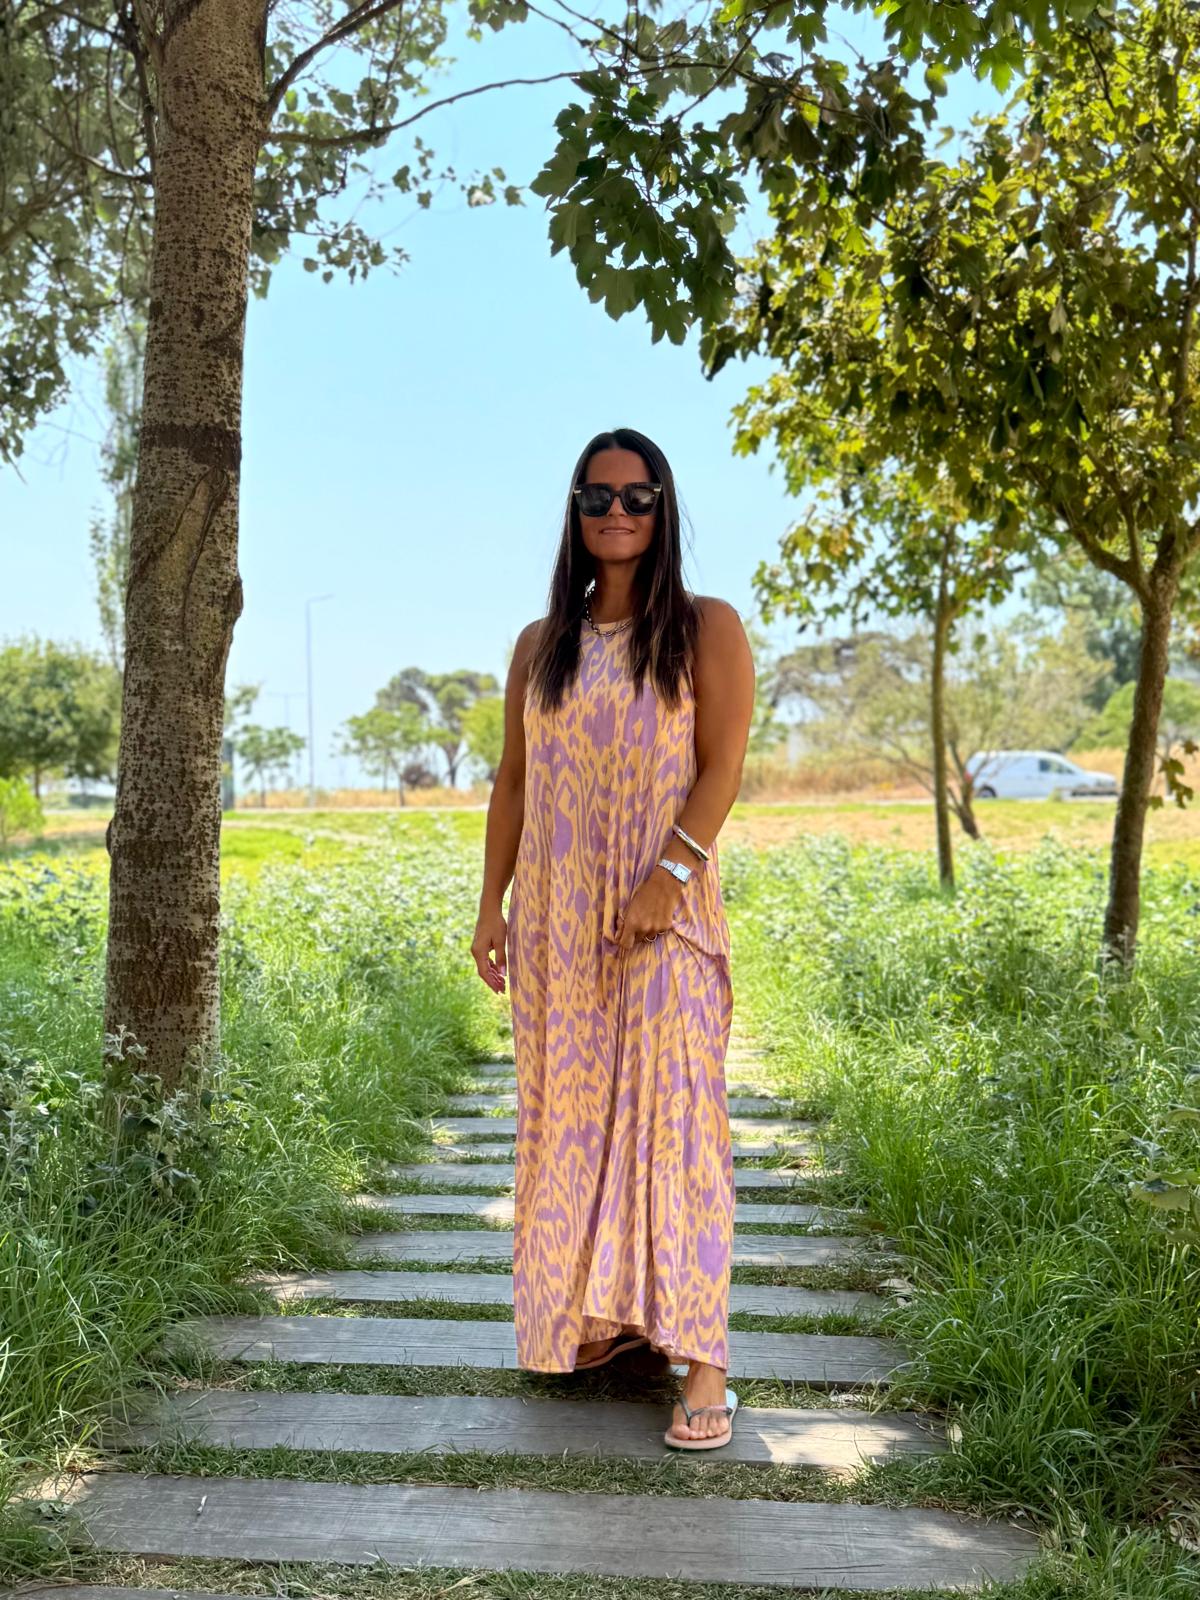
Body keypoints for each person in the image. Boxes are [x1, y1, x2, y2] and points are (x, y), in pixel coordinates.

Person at [471, 427, 755, 1449]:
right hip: (554, 922)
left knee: (677, 1122)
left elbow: (721, 767)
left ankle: (703, 1357)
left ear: (664, 507)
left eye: (637, 497)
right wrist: (489, 904)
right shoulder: (539, 646)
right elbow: (513, 780)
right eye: (598, 497)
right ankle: (606, 1320)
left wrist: (665, 877)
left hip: (664, 919)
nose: (617, 513)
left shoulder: (707, 628)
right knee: (574, 1119)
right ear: (575, 512)